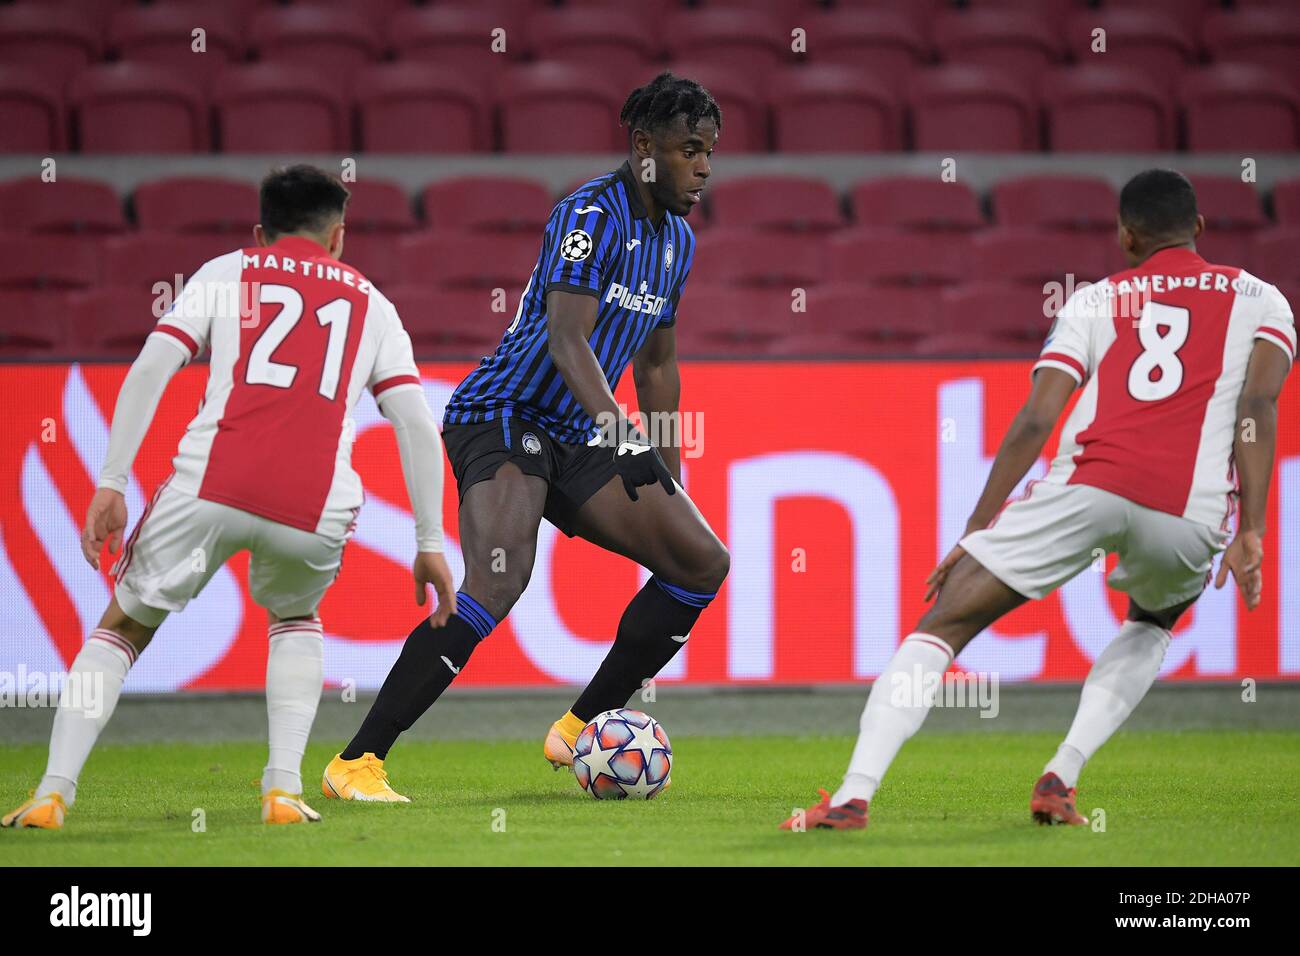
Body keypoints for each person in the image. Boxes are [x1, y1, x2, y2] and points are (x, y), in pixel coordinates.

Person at [781, 168, 1294, 831]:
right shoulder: (1263, 298)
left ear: (1125, 236)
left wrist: (975, 528)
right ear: (1198, 229)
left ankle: (853, 796)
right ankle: (1063, 775)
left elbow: (1035, 419)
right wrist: (1251, 527)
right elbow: (1257, 405)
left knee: (942, 626)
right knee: (1153, 622)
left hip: (1088, 486)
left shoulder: (1094, 301)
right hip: (1189, 511)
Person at [3, 165, 454, 828]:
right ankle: (281, 791)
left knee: (122, 628)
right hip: (316, 502)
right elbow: (415, 423)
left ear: (260, 230)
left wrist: (112, 480)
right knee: (296, 619)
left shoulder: (228, 271)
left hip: (210, 485)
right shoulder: (372, 302)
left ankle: (52, 793)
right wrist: (429, 543)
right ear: (338, 236)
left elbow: (153, 364)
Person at [322, 72, 728, 802]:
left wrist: (665, 469)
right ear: (643, 148)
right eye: (689, 150)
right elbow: (571, 343)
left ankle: (582, 726)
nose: (703, 167)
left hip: (577, 431)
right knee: (499, 581)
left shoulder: (678, 243)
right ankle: (358, 761)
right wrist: (624, 437)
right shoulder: (588, 216)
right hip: (504, 416)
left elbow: (659, 363)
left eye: (710, 152)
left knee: (700, 563)